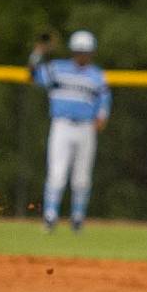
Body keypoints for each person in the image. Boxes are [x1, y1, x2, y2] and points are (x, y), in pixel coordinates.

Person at [28, 30, 111, 233]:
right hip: (62, 125)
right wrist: (38, 52)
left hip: (85, 127)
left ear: (91, 53)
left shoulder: (97, 75)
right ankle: (50, 217)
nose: (82, 55)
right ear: (73, 51)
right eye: (79, 51)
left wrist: (102, 116)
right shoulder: (58, 69)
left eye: (86, 51)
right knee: (57, 173)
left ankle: (77, 219)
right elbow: (33, 74)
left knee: (82, 177)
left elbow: (104, 100)